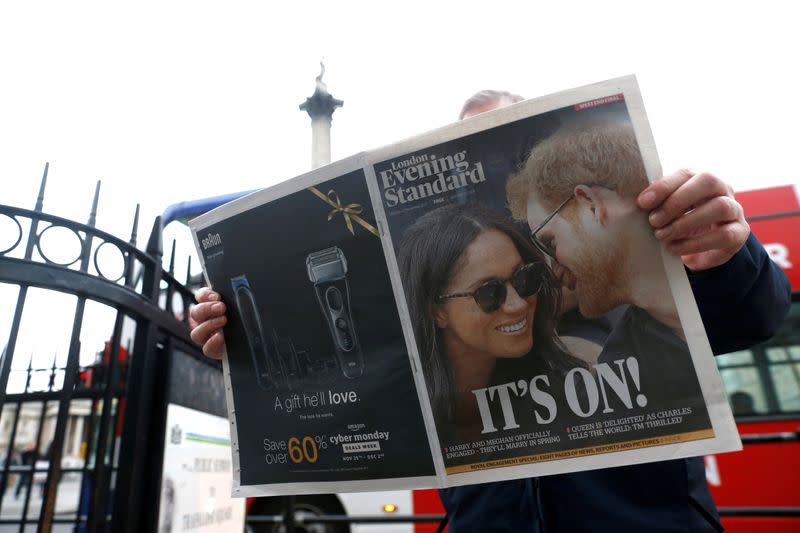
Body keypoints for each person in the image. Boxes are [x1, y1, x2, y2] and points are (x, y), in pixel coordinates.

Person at [505, 120, 791, 532]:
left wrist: (729, 253)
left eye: (549, 243)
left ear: (589, 203)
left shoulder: (654, 313)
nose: (551, 271)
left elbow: (751, 315)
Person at [395, 204, 583, 438]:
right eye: (489, 293)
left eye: (523, 278)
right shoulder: (403, 413)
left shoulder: (563, 388)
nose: (519, 304)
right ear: (437, 312)